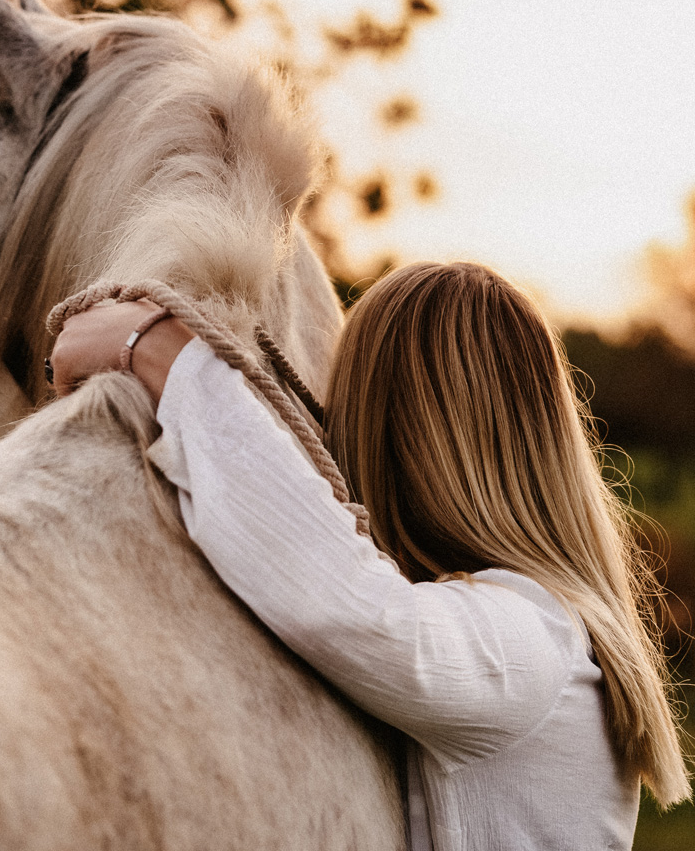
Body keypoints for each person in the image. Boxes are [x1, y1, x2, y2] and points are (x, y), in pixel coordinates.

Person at [50, 260, 690, 850]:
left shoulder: (538, 641)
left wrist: (171, 359)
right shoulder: (551, 628)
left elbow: (361, 614)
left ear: (395, 436)